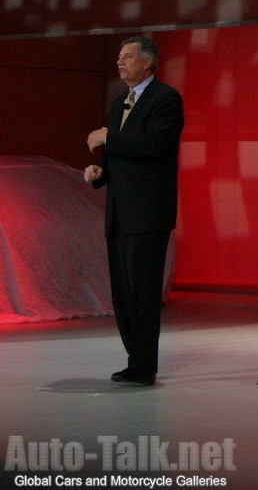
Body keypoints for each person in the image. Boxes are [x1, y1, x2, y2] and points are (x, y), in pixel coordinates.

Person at [84, 36, 185, 387]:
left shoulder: (166, 99)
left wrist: (109, 138)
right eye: (119, 57)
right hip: (119, 213)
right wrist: (100, 173)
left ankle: (145, 365)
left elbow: (155, 145)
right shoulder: (119, 103)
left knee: (143, 291)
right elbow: (116, 158)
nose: (120, 62)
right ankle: (134, 360)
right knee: (123, 294)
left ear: (148, 62)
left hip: (148, 212)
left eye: (127, 57)